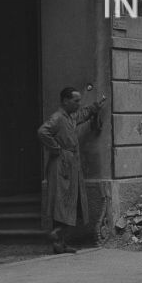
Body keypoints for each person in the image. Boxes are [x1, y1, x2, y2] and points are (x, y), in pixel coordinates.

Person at [37, 86, 104, 254]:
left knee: (66, 202)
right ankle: (57, 234)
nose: (78, 104)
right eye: (76, 101)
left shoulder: (70, 116)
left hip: (68, 164)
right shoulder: (58, 117)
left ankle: (59, 244)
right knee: (63, 202)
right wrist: (56, 149)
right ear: (65, 101)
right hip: (60, 165)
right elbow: (42, 131)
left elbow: (82, 115)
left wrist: (94, 108)